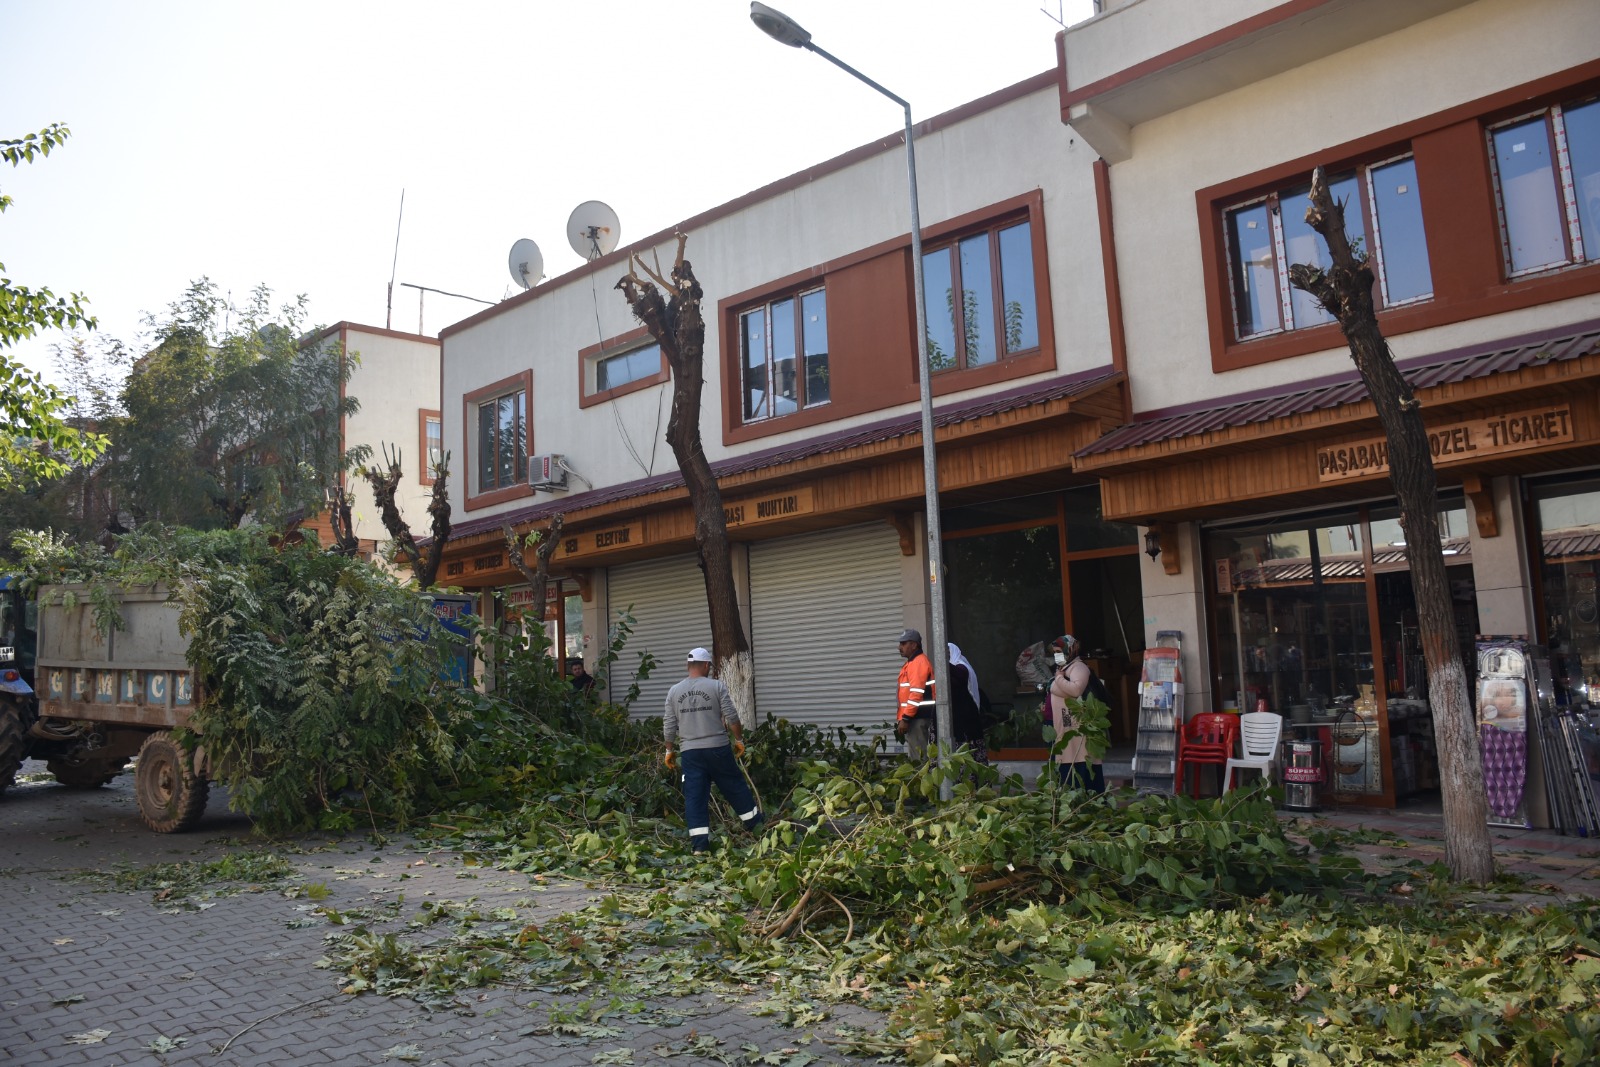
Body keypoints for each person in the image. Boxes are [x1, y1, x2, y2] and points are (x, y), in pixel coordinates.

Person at [663, 647, 763, 852]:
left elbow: (669, 724)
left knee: (695, 797)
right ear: (707, 665)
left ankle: (700, 847)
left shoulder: (674, 691)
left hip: (690, 753)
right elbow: (732, 717)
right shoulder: (716, 686)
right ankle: (758, 829)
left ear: (687, 666)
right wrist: (739, 739)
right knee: (735, 787)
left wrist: (669, 750)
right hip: (717, 748)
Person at [1048, 634, 1105, 793]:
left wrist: (1056, 682)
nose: (1057, 655)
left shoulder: (1078, 667)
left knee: (1079, 765)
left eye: (1060, 651)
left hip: (1076, 729)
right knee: (1066, 765)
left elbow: (1075, 690)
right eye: (1055, 652)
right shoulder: (1064, 668)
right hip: (1065, 730)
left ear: (1070, 649)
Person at [896, 628, 936, 759]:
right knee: (919, 755)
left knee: (919, 758)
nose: (899, 647)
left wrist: (906, 718)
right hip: (917, 716)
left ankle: (921, 780)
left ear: (914, 645)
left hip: (918, 718)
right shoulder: (913, 662)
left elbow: (916, 693)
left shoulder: (918, 662)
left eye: (903, 643)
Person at [948, 642, 988, 763]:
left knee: (970, 752)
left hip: (967, 717)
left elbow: (960, 675)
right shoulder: (949, 670)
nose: (946, 656)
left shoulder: (962, 667)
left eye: (948, 653)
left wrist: (943, 662)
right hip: (957, 718)